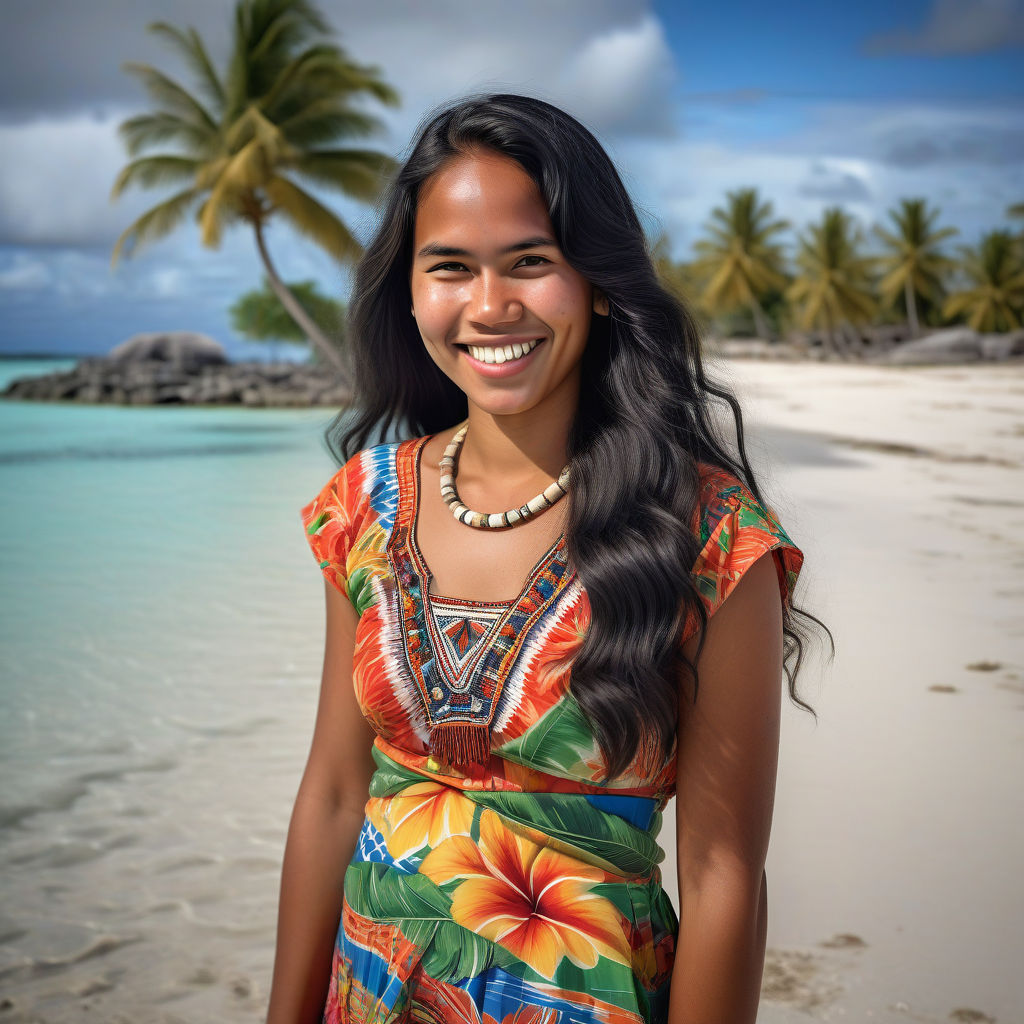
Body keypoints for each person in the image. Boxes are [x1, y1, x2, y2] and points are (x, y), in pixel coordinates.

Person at [266, 92, 828, 1024]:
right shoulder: (362, 503)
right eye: (451, 267)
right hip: (367, 995)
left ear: (599, 281)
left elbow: (724, 869)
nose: (491, 307)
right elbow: (332, 793)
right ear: (410, 291)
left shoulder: (713, 535)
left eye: (531, 262)